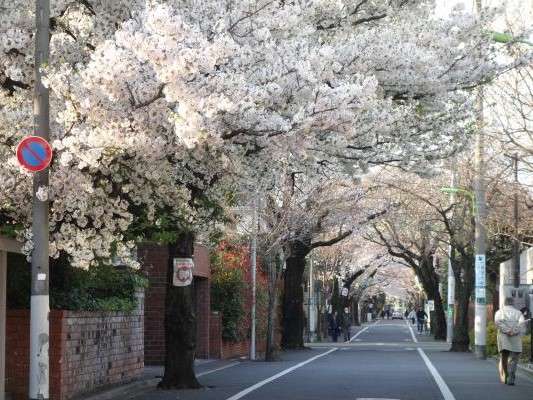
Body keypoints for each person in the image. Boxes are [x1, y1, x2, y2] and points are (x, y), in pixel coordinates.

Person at [494, 297, 529, 385]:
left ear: (504, 303)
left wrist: (507, 330)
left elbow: (498, 322)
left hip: (503, 337)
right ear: (513, 303)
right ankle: (511, 378)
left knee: (504, 357)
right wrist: (514, 331)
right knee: (514, 359)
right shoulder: (518, 313)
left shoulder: (499, 312)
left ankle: (505, 375)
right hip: (516, 338)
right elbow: (521, 323)